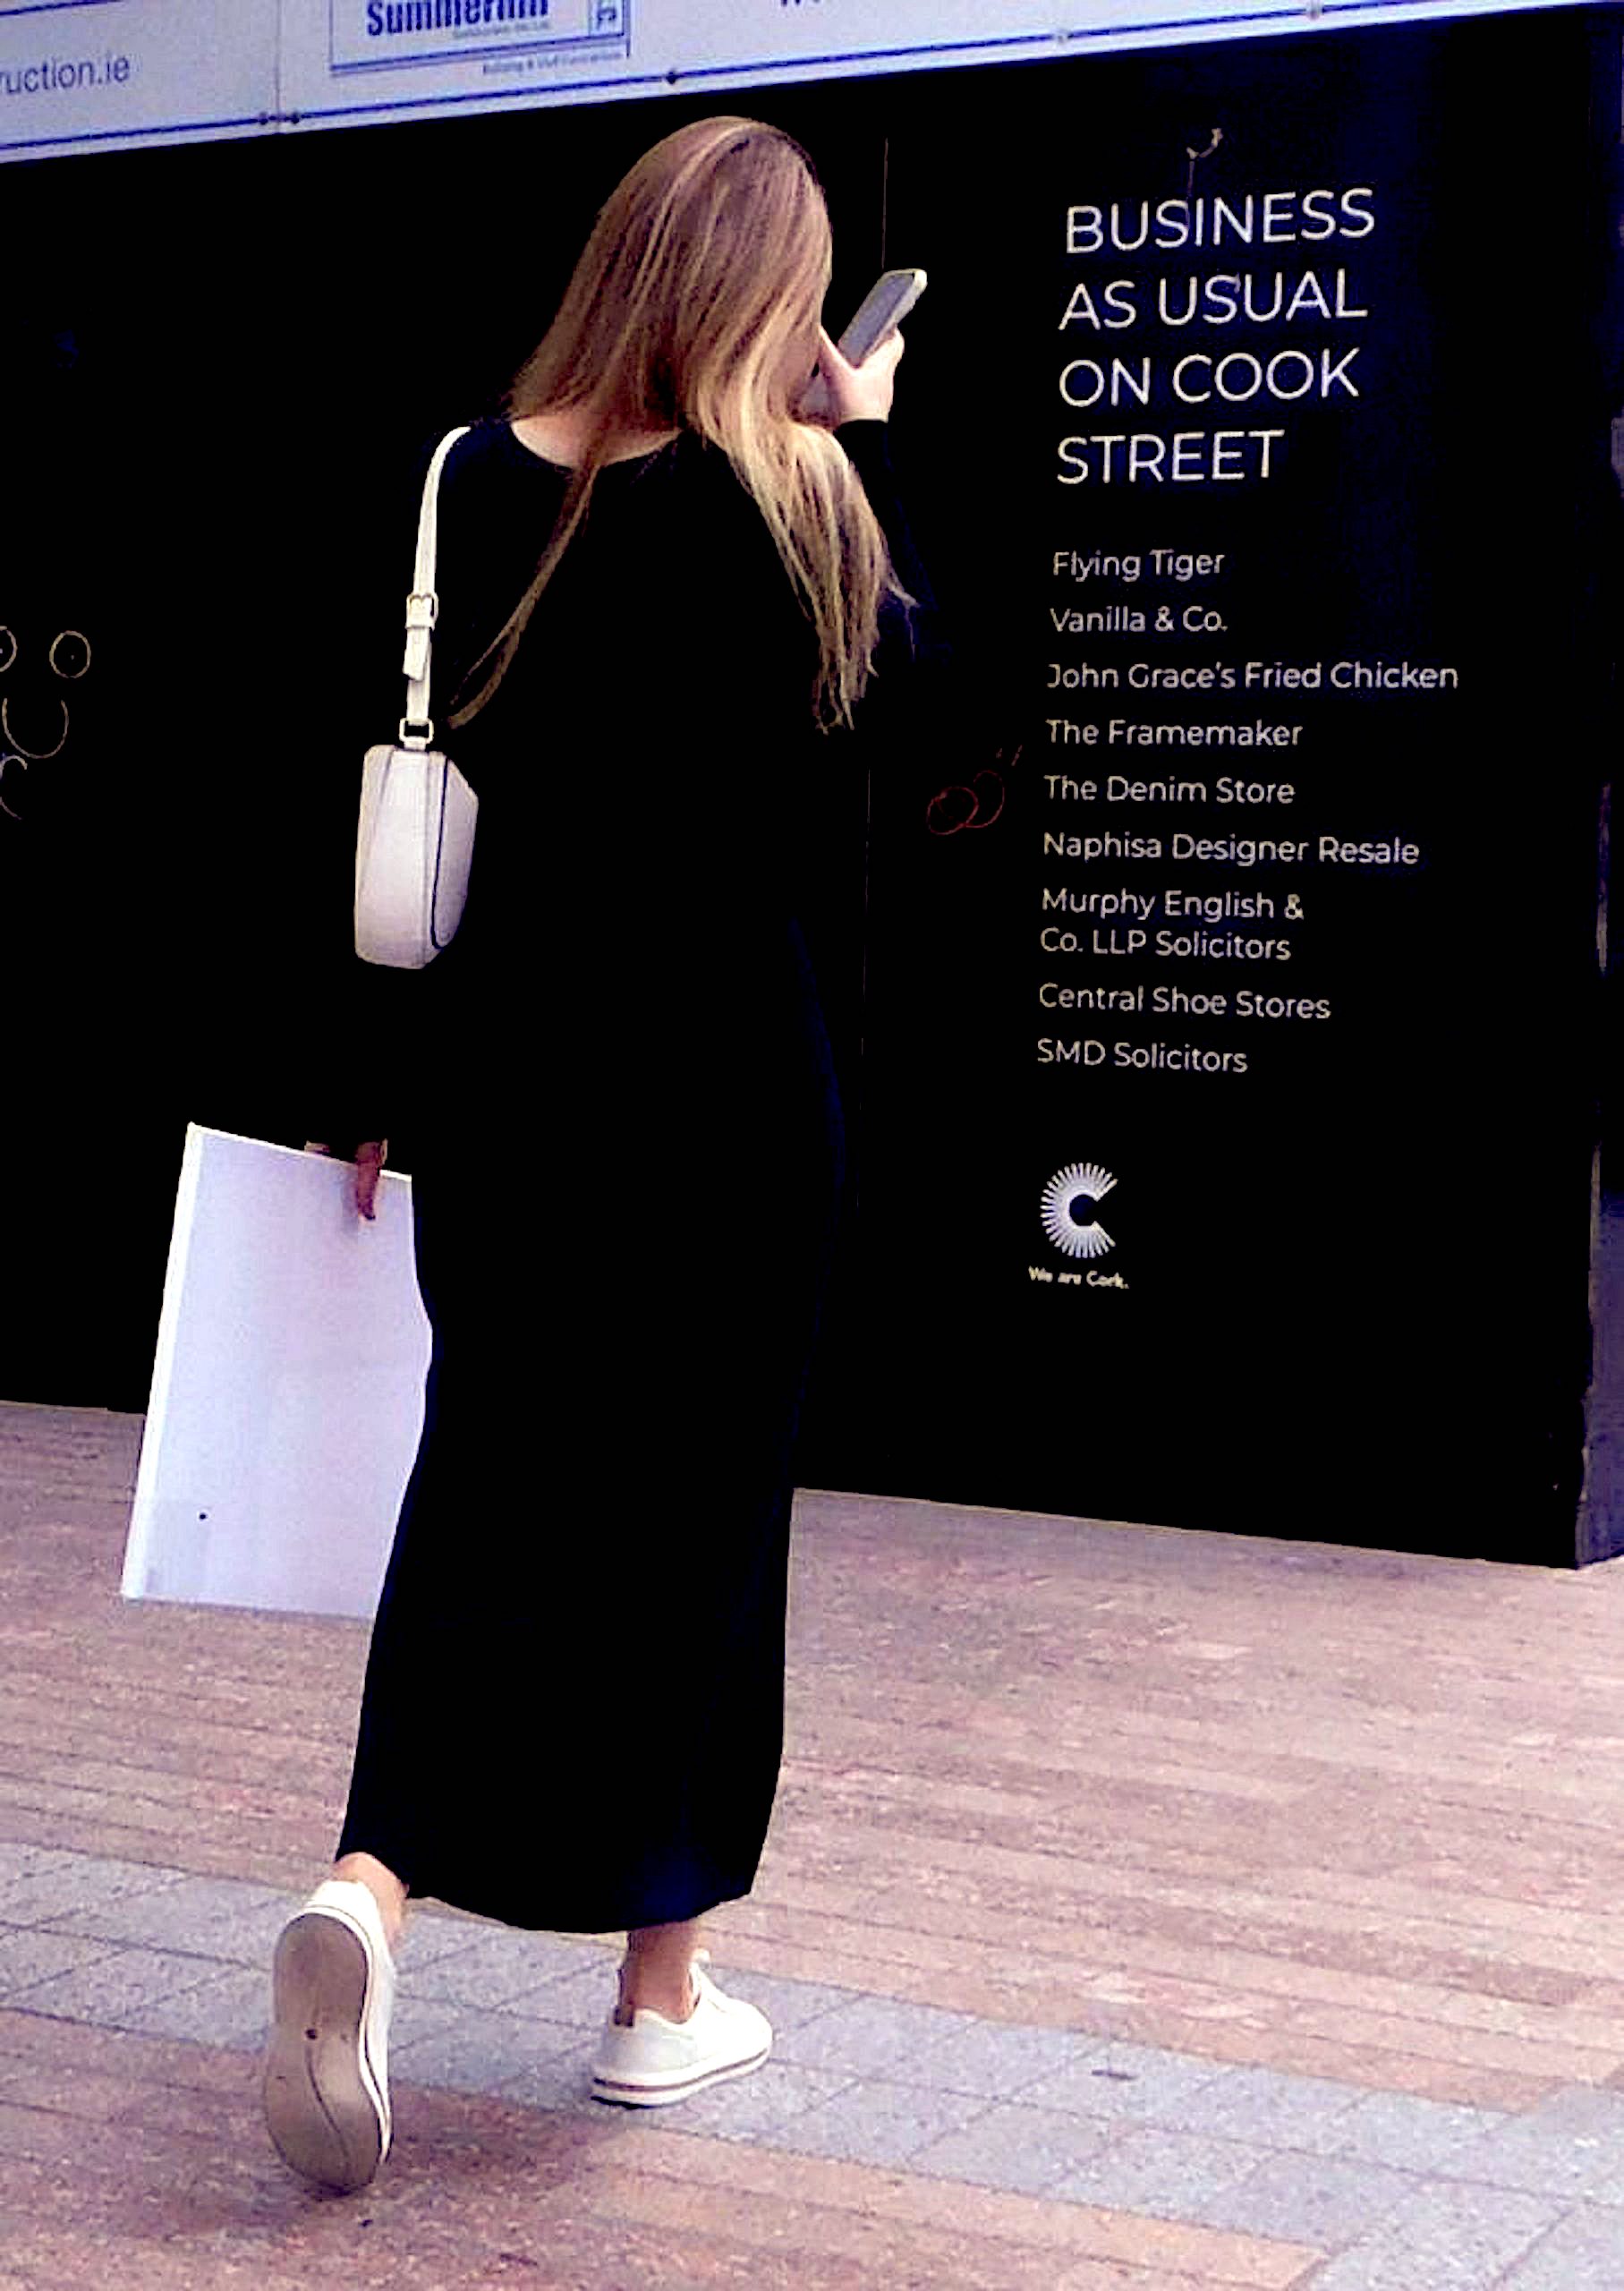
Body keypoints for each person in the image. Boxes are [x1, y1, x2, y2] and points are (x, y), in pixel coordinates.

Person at [262, 115, 928, 2193]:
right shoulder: (790, 490)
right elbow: (908, 727)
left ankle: (368, 1884)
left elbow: (385, 786)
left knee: (489, 1484)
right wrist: (853, 440)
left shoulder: (463, 476)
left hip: (507, 1078)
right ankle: (658, 1997)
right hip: (732, 1091)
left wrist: (371, 1076)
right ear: (776, 301)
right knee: (703, 1526)